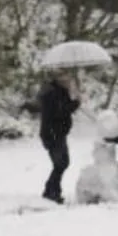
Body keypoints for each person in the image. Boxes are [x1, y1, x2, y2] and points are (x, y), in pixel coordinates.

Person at [37, 73, 79, 203]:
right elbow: (59, 111)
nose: (68, 82)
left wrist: (74, 101)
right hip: (52, 133)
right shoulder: (52, 94)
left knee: (62, 163)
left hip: (59, 133)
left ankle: (52, 190)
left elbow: (64, 108)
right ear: (59, 80)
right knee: (61, 163)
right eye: (66, 79)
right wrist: (74, 104)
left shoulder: (61, 92)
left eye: (69, 79)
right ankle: (52, 191)